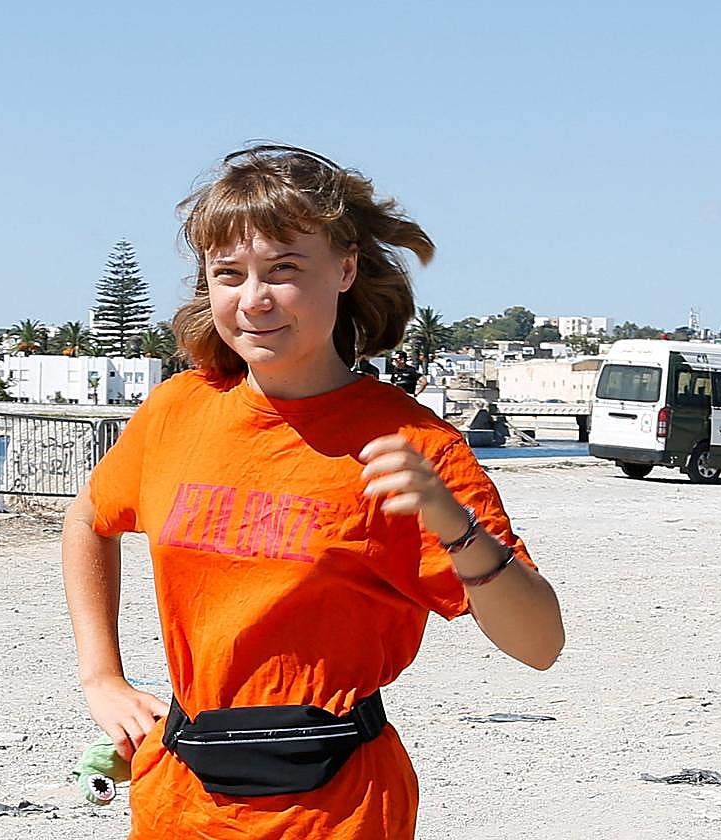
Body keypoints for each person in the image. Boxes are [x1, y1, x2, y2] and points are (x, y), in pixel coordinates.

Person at [62, 145, 564, 839]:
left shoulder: (413, 445)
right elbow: (90, 520)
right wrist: (102, 678)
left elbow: (540, 643)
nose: (254, 299)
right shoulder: (178, 409)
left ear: (346, 268)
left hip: (338, 808)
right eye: (228, 275)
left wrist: (454, 525)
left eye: (284, 270)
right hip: (180, 796)